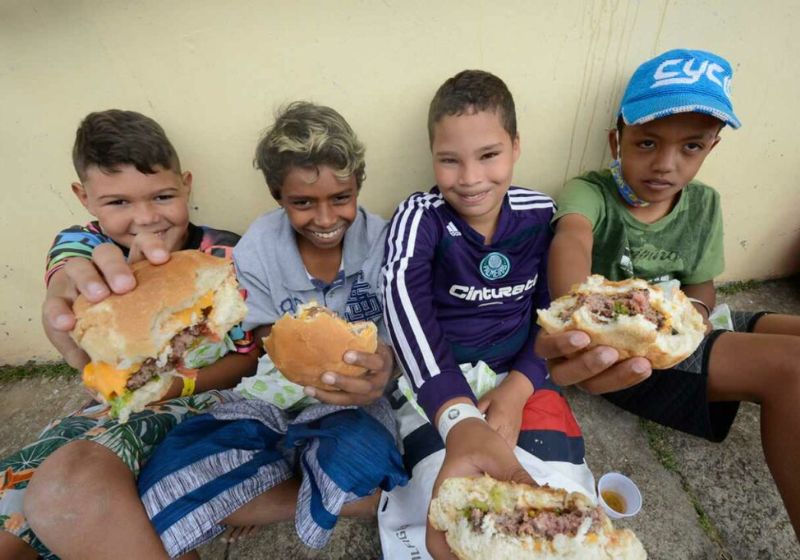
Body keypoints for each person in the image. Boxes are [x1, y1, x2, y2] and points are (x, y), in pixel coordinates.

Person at [542, 48, 800, 540]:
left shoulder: (704, 204)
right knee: (793, 368)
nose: (665, 165)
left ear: (712, 148)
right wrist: (576, 308)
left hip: (690, 329)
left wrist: (698, 316)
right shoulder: (589, 192)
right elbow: (571, 238)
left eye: (691, 147)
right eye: (647, 143)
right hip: (630, 358)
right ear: (616, 140)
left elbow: (702, 288)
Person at [135, 101, 407, 559]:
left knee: (362, 456)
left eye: (340, 198)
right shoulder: (260, 245)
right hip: (274, 393)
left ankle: (255, 490)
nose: (324, 219)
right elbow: (261, 340)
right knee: (169, 473)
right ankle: (298, 485)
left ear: (358, 185)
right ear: (277, 194)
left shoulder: (385, 240)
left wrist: (386, 366)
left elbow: (400, 334)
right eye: (303, 203)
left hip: (356, 401)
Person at [0, 109, 259, 560]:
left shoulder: (222, 256)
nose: (145, 219)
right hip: (107, 406)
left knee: (84, 494)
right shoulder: (82, 245)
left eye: (162, 196)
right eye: (118, 202)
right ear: (84, 197)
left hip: (206, 400)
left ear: (187, 185)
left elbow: (250, 359)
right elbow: (67, 277)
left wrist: (178, 383)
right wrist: (63, 302)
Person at [378, 70, 593, 560]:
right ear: (432, 157)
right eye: (449, 161)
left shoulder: (541, 214)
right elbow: (402, 301)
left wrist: (519, 387)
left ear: (516, 146)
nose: (470, 179)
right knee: (448, 506)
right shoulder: (419, 216)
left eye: (489, 155)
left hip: (523, 374)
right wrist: (455, 413)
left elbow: (553, 312)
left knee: (555, 495)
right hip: (432, 382)